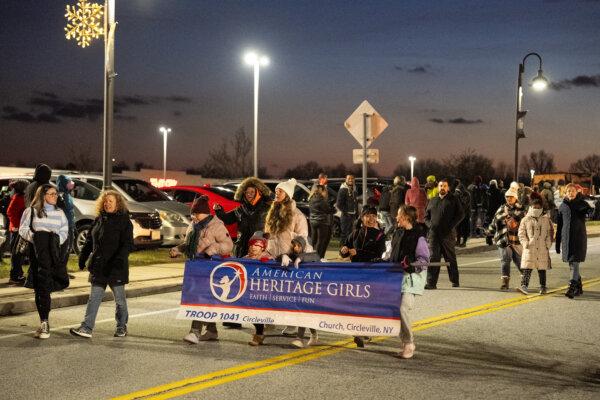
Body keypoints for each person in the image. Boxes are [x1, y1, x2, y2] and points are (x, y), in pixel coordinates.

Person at [70, 190, 134, 338]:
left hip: (116, 267)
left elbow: (128, 244)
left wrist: (119, 259)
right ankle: (86, 328)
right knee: (94, 298)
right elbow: (89, 242)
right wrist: (82, 257)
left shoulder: (124, 221)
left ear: (118, 203)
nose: (107, 203)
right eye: (105, 201)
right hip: (99, 266)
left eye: (111, 201)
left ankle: (121, 326)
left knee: (119, 300)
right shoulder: (99, 219)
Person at [170, 195, 234, 343]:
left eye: (196, 213)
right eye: (193, 213)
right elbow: (188, 243)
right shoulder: (193, 225)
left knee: (199, 298)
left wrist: (214, 248)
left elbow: (228, 245)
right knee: (201, 298)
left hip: (210, 267)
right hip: (195, 266)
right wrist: (178, 249)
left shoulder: (217, 225)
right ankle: (212, 331)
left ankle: (195, 332)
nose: (194, 216)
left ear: (205, 212)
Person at [19, 184, 69, 339]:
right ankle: (44, 322)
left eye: (56, 194)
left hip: (52, 255)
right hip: (37, 255)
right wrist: (37, 238)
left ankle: (44, 321)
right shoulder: (31, 211)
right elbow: (23, 229)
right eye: (52, 194)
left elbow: (65, 231)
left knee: (46, 287)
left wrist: (53, 241)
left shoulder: (60, 213)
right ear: (43, 195)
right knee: (40, 288)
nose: (55, 196)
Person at [340, 206, 385, 348]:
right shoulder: (355, 233)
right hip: (354, 274)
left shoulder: (380, 236)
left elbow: (378, 255)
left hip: (371, 274)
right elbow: (345, 250)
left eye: (373, 216)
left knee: (367, 304)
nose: (371, 219)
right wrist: (344, 251)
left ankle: (366, 330)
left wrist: (357, 253)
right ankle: (358, 331)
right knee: (354, 303)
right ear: (362, 217)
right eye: (367, 216)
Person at [389, 205, 430, 359]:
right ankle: (405, 342)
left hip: (410, 279)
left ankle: (409, 343)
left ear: (406, 217)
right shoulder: (397, 233)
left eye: (398, 215)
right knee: (394, 310)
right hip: (394, 277)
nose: (396, 217)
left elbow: (424, 260)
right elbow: (392, 253)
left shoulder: (419, 236)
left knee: (402, 309)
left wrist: (411, 264)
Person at [214, 177, 271, 258]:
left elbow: (276, 226)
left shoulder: (268, 209)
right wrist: (219, 211)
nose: (249, 194)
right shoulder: (240, 209)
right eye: (247, 192)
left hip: (258, 247)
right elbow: (228, 220)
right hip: (242, 247)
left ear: (259, 193)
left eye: (252, 192)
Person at [279, 237, 321, 348]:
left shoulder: (310, 254)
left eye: (298, 245)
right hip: (296, 289)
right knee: (304, 313)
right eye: (294, 246)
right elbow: (279, 257)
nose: (296, 248)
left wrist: (301, 258)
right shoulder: (291, 255)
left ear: (303, 246)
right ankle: (314, 334)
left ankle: (300, 338)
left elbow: (316, 256)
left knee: (304, 312)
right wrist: (282, 256)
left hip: (310, 290)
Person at [424, 179, 464, 289]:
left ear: (448, 188)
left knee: (450, 258)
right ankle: (431, 283)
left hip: (448, 234)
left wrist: (451, 226)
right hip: (434, 235)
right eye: (440, 185)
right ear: (438, 187)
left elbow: (461, 214)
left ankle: (454, 280)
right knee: (433, 258)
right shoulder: (432, 200)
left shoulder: (453, 199)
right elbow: (426, 217)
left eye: (444, 186)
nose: (442, 187)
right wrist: (430, 225)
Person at [486, 183, 526, 290]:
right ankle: (505, 282)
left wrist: (509, 216)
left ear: (516, 198)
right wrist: (489, 233)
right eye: (507, 197)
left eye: (511, 197)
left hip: (516, 240)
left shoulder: (521, 209)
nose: (508, 198)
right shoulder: (501, 208)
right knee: (505, 260)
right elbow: (494, 221)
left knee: (519, 261)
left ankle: (525, 281)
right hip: (503, 239)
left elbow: (518, 224)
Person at [556, 183, 592, 299]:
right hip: (567, 240)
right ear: (565, 193)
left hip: (578, 239)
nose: (571, 193)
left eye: (573, 191)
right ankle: (579, 286)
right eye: (568, 191)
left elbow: (590, 214)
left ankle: (571, 287)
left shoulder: (582, 204)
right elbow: (560, 226)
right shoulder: (562, 207)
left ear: (576, 192)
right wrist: (557, 243)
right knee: (572, 264)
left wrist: (590, 211)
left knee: (574, 263)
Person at [265, 178, 312, 258]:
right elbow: (267, 234)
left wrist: (297, 248)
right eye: (276, 191)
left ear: (287, 195)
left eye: (280, 191)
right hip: (271, 257)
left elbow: (302, 237)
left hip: (288, 258)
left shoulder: (297, 215)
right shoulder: (272, 212)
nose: (277, 194)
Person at [517, 193, 553, 295]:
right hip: (530, 247)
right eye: (534, 207)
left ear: (541, 207)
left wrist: (547, 244)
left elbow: (549, 233)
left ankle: (543, 286)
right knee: (527, 268)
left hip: (542, 247)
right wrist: (525, 243)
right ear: (531, 207)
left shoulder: (546, 219)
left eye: (538, 207)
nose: (536, 208)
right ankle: (524, 286)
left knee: (541, 269)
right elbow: (521, 233)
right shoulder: (526, 219)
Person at [244, 231, 274, 346]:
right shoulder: (245, 258)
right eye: (251, 245)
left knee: (257, 312)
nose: (253, 247)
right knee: (251, 314)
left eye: (257, 245)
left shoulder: (268, 258)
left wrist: (270, 263)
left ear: (263, 247)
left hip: (264, 292)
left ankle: (259, 334)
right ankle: (260, 332)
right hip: (249, 292)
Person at [6, 180, 28, 286]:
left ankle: (18, 274)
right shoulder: (18, 198)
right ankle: (14, 277)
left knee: (19, 253)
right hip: (17, 230)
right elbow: (10, 212)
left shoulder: (21, 197)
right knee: (16, 254)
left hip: (20, 229)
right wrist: (15, 226)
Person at [56, 175, 76, 278]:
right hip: (63, 226)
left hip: (70, 225)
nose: (71, 183)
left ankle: (63, 270)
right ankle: (59, 271)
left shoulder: (68, 194)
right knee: (63, 249)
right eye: (68, 182)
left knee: (68, 248)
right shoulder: (60, 195)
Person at [308, 184, 335, 258]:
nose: (326, 193)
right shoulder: (321, 199)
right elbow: (328, 210)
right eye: (324, 191)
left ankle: (310, 255)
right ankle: (319, 257)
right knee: (321, 240)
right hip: (321, 221)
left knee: (314, 239)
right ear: (322, 191)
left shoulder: (311, 198)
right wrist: (334, 209)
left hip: (313, 221)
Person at [335, 175, 358, 245]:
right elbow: (338, 204)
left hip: (353, 215)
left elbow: (355, 202)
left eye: (352, 178)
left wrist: (356, 212)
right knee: (344, 233)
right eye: (349, 178)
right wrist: (346, 212)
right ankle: (343, 248)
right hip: (346, 215)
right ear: (346, 180)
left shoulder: (354, 189)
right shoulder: (343, 189)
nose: (351, 180)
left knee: (351, 232)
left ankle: (349, 246)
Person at [454, 180, 472, 247]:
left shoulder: (467, 194)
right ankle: (458, 241)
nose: (457, 192)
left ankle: (464, 242)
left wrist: (459, 197)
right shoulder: (456, 194)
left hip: (465, 214)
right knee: (458, 228)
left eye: (458, 191)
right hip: (458, 215)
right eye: (456, 191)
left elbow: (465, 205)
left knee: (465, 228)